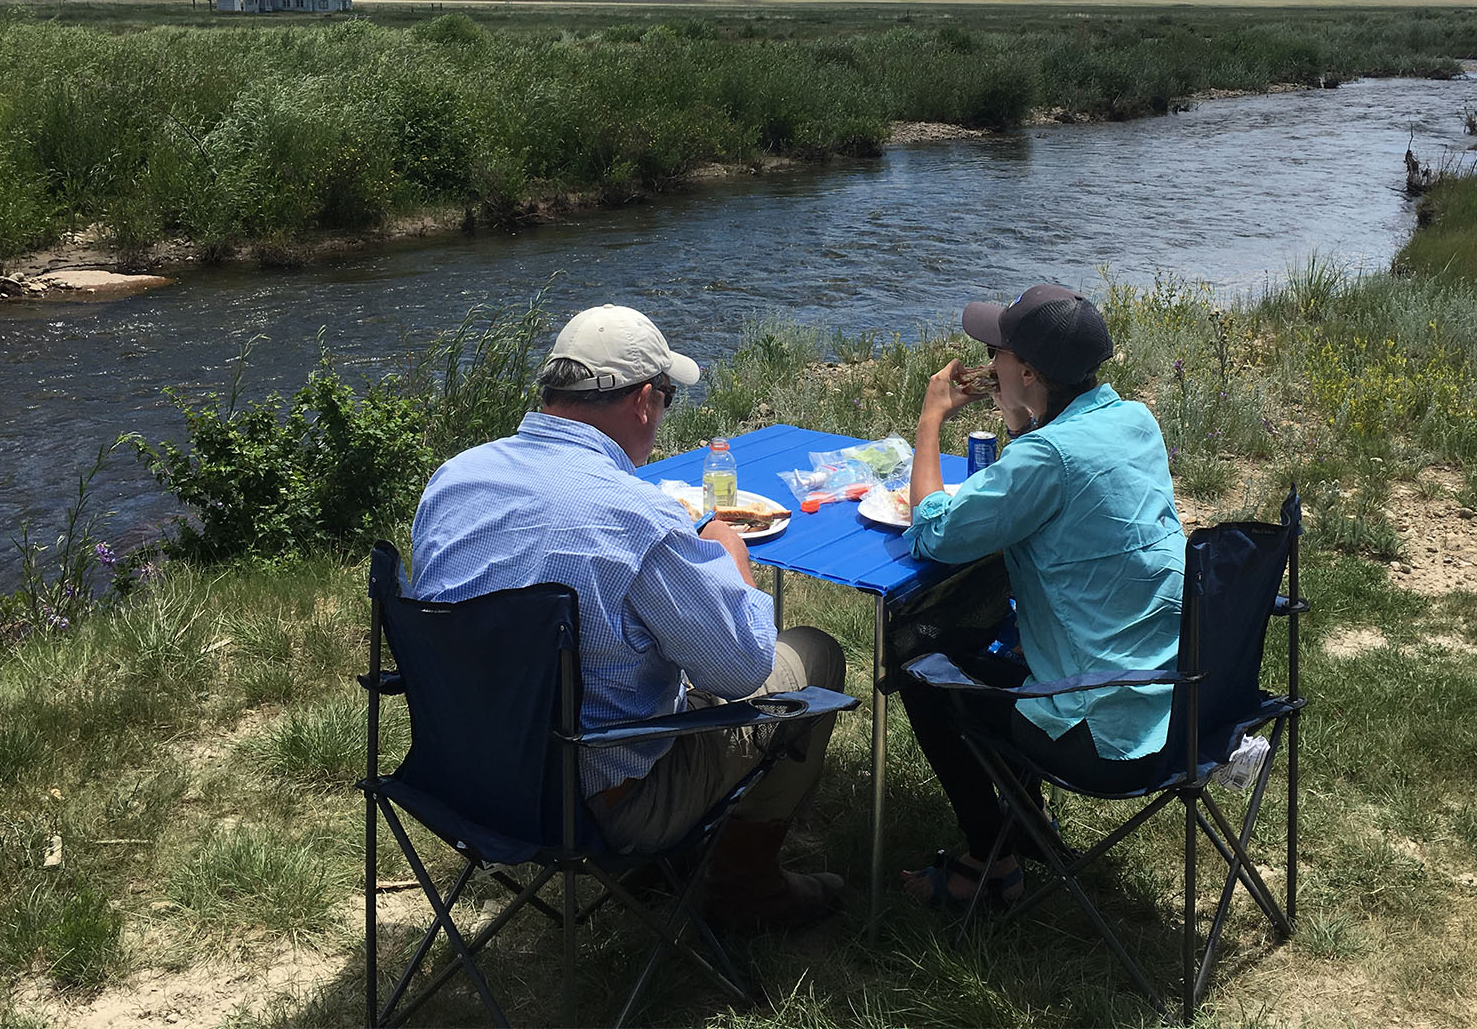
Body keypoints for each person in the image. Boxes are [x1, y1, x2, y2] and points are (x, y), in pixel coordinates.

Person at [410, 303, 848, 930]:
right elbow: (743, 669)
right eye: (669, 399)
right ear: (644, 400)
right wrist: (731, 558)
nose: (664, 419)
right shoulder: (636, 516)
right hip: (596, 807)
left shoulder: (452, 479)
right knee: (814, 651)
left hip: (466, 780)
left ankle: (680, 865)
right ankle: (745, 886)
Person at [897, 284, 1187, 908]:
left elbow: (933, 532)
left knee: (920, 672)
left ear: (1027, 371)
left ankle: (992, 863)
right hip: (1186, 705)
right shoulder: (1136, 420)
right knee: (1002, 648)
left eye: (996, 354)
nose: (989, 365)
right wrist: (1020, 415)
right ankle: (1020, 824)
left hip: (1106, 736)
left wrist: (930, 416)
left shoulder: (1046, 455)